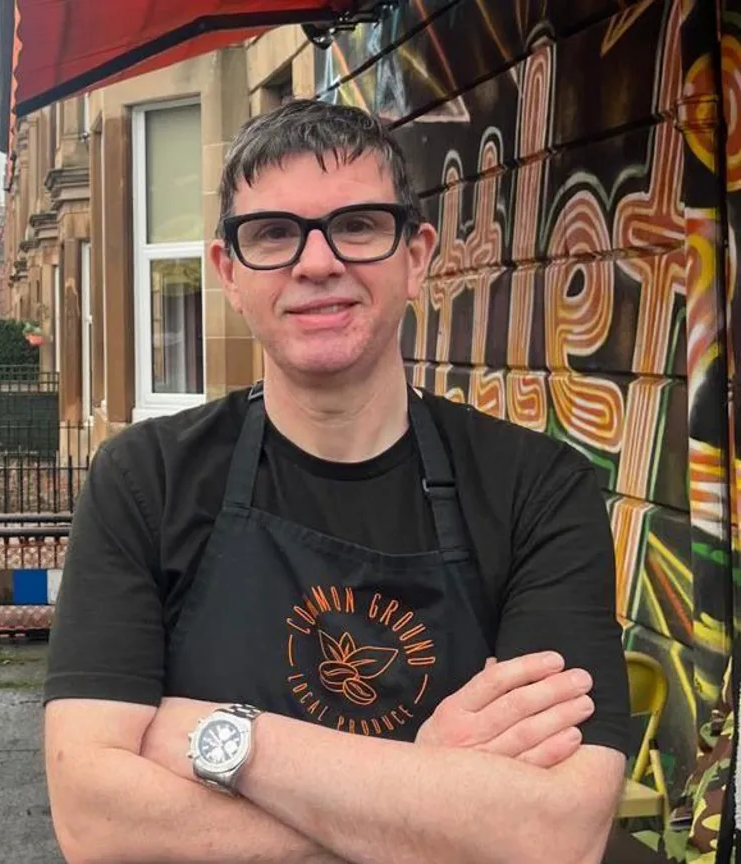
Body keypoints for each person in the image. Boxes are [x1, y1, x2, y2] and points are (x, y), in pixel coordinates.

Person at [43, 98, 631, 864]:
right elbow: (95, 820)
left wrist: (230, 741)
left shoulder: (538, 491)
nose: (317, 263)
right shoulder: (145, 480)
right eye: (272, 233)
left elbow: (557, 835)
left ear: (415, 257)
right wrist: (432, 797)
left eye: (356, 225)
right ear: (228, 272)